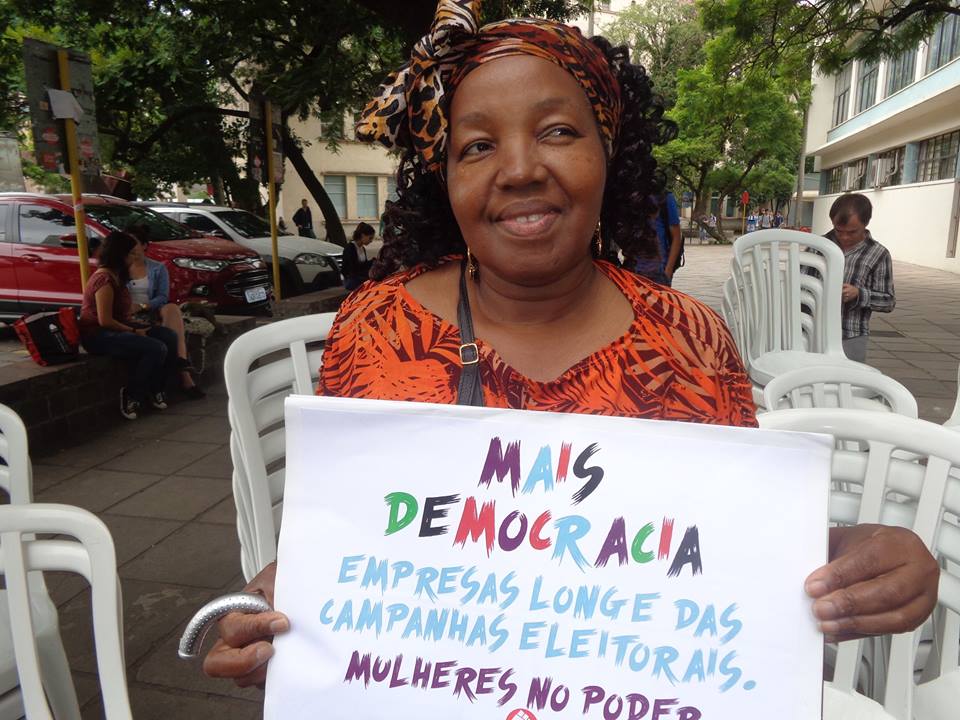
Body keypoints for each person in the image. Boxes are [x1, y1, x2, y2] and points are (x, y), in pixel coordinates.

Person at [202, 1, 936, 687]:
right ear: (445, 178)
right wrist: (273, 608)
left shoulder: (688, 340)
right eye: (477, 145)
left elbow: (728, 546)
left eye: (557, 131)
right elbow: (346, 540)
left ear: (608, 152)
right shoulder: (375, 330)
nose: (520, 169)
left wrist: (849, 556)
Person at [79, 231, 179, 420]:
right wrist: (133, 331)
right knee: (155, 348)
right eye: (131, 253)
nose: (135, 257)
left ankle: (156, 388)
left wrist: (138, 325)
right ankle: (132, 395)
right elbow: (105, 320)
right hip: (99, 335)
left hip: (121, 326)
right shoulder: (104, 279)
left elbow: (123, 313)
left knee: (169, 336)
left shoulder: (119, 276)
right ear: (119, 254)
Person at [126, 226, 205, 399]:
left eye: (134, 243)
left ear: (144, 245)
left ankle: (181, 362)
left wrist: (143, 306)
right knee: (169, 330)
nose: (130, 248)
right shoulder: (120, 269)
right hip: (128, 314)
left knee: (172, 309)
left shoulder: (157, 268)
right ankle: (185, 377)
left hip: (151, 310)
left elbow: (162, 297)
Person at [824, 193, 895, 363]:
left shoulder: (878, 254)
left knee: (848, 379)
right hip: (813, 332)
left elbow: (888, 301)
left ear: (866, 223)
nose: (844, 237)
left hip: (851, 335)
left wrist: (858, 294)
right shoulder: (819, 246)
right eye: (838, 231)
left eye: (852, 232)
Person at [635, 191, 682, 286]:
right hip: (634, 271)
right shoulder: (633, 197)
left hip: (659, 272)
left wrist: (668, 271)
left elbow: (677, 237)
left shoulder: (665, 198)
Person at [340, 222, 375, 291]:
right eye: (370, 238)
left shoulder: (362, 248)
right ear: (363, 235)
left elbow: (363, 265)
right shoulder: (350, 248)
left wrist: (373, 262)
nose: (371, 241)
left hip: (358, 277)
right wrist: (370, 263)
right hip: (351, 279)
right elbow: (353, 269)